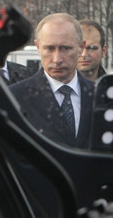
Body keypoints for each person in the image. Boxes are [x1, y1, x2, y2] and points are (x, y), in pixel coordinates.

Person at [9, 13, 94, 150]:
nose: (57, 59)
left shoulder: (102, 96)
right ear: (38, 47)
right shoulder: (13, 98)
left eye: (65, 48)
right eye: (49, 48)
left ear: (81, 47)